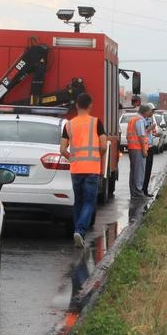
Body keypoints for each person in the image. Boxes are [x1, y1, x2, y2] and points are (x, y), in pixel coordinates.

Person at [59, 93, 106, 247]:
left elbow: (62, 149)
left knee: (78, 201)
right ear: (90, 105)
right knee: (89, 202)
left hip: (76, 168)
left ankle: (77, 232)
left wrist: (72, 158)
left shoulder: (69, 125)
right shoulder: (96, 123)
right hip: (92, 168)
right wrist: (99, 156)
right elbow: (104, 146)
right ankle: (79, 230)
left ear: (77, 105)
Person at [125, 105, 148, 199]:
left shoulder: (132, 119)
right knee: (139, 171)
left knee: (134, 171)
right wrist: (144, 149)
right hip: (138, 148)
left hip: (132, 148)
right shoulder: (140, 120)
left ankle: (134, 192)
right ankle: (138, 193)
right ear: (145, 112)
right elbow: (141, 136)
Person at [140, 105, 157, 197]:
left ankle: (145, 190)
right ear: (147, 111)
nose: (153, 113)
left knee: (148, 170)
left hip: (150, 146)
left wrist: (156, 133)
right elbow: (144, 132)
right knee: (144, 170)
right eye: (152, 111)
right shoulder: (142, 120)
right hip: (146, 147)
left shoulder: (150, 119)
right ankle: (142, 190)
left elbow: (150, 132)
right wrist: (151, 128)